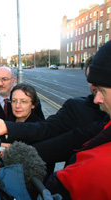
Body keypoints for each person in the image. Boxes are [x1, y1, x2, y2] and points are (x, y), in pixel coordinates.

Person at [43, 40, 111, 199]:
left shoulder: (97, 168)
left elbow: (59, 185)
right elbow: (69, 138)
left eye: (102, 90)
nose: (97, 99)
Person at [0, 56, 106, 145]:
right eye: (14, 101)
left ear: (33, 104)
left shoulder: (75, 109)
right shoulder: (76, 108)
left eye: (24, 101)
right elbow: (49, 130)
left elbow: (47, 137)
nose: (18, 106)